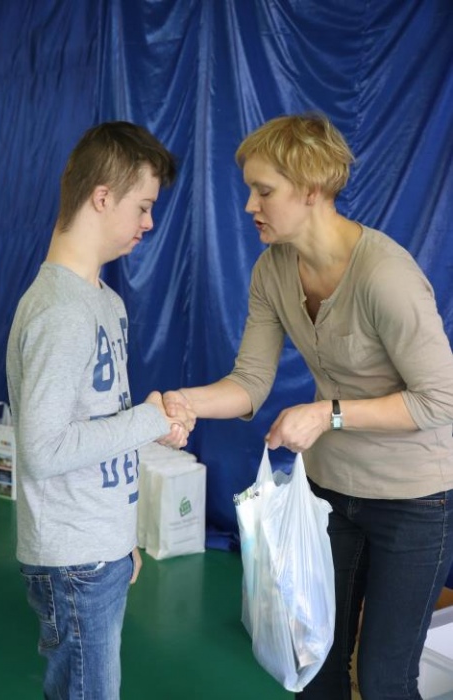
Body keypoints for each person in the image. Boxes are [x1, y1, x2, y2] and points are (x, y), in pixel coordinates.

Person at [163, 113, 453, 699]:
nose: (250, 205)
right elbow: (250, 381)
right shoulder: (272, 270)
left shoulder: (385, 276)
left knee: (384, 680)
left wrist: (328, 413)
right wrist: (180, 401)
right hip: (329, 493)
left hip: (414, 499)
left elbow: (442, 398)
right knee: (315, 668)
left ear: (312, 190)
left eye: (264, 190)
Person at [6, 121, 195, 700]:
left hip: (98, 546)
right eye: (143, 206)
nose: (149, 222)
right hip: (74, 559)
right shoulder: (59, 310)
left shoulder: (106, 302)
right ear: (102, 197)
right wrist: (151, 419)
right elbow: (44, 450)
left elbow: (100, 422)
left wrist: (119, 537)